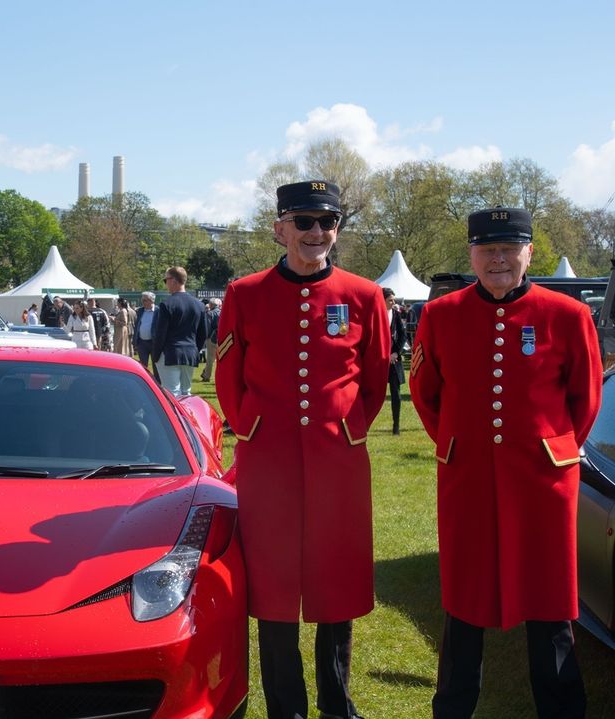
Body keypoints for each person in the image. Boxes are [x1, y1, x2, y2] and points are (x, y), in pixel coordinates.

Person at [410, 208, 602, 719]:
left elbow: (585, 399)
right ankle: (453, 708)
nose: (497, 259)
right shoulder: (441, 314)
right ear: (471, 253)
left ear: (528, 254)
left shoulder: (567, 315)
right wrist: (460, 441)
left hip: (543, 482)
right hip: (467, 476)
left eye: (508, 249)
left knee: (551, 602)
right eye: (486, 249)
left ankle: (561, 709)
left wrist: (552, 448)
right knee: (464, 600)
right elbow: (426, 394)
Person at [215, 181, 390, 719]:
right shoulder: (245, 293)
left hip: (337, 457)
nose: (317, 232)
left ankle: (338, 705)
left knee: (336, 578)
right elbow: (228, 372)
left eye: (328, 222)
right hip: (268, 460)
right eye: (305, 221)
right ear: (280, 229)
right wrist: (253, 427)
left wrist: (351, 426)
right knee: (273, 583)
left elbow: (377, 373)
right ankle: (285, 708)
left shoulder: (363, 295)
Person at [152, 267, 207, 397]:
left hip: (170, 353)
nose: (166, 284)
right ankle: (184, 418)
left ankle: (175, 418)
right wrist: (194, 349)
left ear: (174, 281)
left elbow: (160, 334)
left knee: (172, 394)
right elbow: (203, 333)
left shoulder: (167, 304)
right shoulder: (199, 305)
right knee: (186, 393)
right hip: (190, 353)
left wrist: (155, 356)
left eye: (166, 280)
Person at [384, 287, 407, 435]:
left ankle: (396, 427)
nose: (393, 303)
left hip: (394, 360)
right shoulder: (375, 313)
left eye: (394, 300)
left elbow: (403, 336)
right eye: (390, 300)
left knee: (396, 394)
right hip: (378, 361)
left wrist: (395, 353)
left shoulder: (397, 315)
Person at [134, 291, 159, 381]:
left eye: (145, 300)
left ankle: (157, 383)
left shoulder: (158, 311)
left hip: (154, 343)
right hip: (142, 343)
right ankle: (145, 382)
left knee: (156, 365)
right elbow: (136, 326)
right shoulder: (140, 311)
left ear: (152, 301)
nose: (143, 302)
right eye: (143, 300)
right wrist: (135, 341)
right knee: (143, 366)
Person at [200, 297, 222, 382]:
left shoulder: (209, 313)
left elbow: (207, 327)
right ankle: (221, 376)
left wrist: (206, 337)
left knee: (210, 358)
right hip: (221, 338)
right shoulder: (222, 312)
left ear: (211, 305)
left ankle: (206, 376)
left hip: (211, 338)